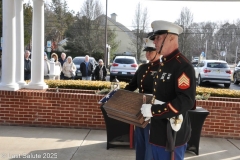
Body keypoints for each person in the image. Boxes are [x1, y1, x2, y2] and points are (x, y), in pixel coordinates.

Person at [140, 20, 196, 160]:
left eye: (158, 37)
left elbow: (186, 100)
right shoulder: (164, 64)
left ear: (171, 37)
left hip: (172, 134)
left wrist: (154, 111)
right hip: (158, 131)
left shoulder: (182, 66)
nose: (155, 42)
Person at [124, 34, 161, 160]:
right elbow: (131, 86)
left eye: (151, 51)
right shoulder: (142, 68)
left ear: (158, 52)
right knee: (140, 141)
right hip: (140, 111)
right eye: (146, 51)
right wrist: (117, 94)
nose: (148, 54)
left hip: (153, 111)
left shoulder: (164, 68)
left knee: (150, 142)